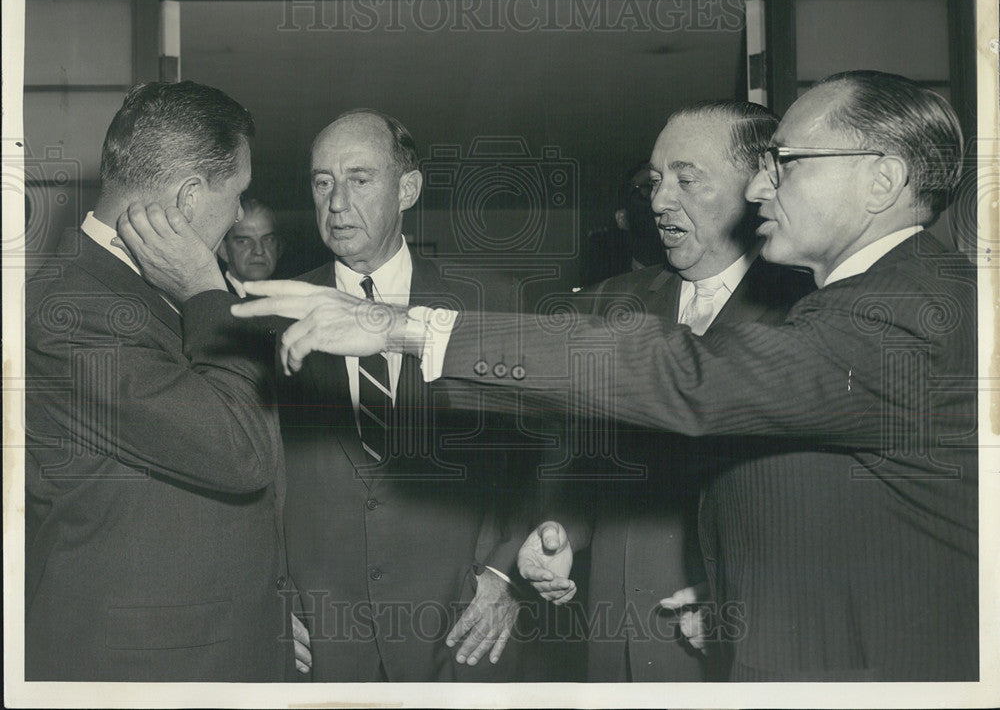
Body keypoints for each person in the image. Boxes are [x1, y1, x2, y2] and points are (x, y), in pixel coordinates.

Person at [235, 70, 978, 681]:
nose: (761, 190)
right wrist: (728, 585)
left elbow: (683, 376)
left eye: (787, 164)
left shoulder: (909, 310)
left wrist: (399, 324)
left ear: (881, 179)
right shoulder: (878, 298)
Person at [519, 101, 814, 682]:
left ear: (759, 184)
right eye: (655, 181)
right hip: (610, 644)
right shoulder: (608, 304)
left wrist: (745, 595)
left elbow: (831, 513)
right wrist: (558, 530)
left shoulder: (807, 313)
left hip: (732, 655)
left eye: (686, 178)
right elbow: (583, 456)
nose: (658, 201)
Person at [24, 81, 305, 681]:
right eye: (238, 195)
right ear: (188, 196)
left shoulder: (139, 289)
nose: (237, 215)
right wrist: (207, 287)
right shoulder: (67, 314)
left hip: (221, 644)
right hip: (143, 670)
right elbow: (239, 451)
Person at [271, 109, 525, 681]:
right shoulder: (273, 313)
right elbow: (251, 476)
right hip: (322, 641)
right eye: (322, 182)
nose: (336, 203)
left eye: (359, 179)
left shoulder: (487, 301)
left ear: (407, 188)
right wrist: (268, 596)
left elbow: (539, 453)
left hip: (460, 633)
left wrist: (507, 574)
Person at [218, 197, 282, 295]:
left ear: (279, 247)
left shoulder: (296, 300)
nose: (259, 251)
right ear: (223, 250)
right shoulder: (210, 301)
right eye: (244, 241)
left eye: (267, 239)